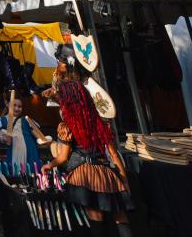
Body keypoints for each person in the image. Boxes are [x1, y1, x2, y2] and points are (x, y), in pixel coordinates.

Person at [42, 74, 133, 236]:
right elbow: (114, 155)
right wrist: (124, 181)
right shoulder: (101, 124)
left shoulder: (68, 126)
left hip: (85, 176)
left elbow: (63, 157)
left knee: (97, 220)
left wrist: (49, 165)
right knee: (120, 217)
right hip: (107, 174)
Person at [0, 97, 45, 169]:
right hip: (14, 149)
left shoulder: (26, 120)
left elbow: (38, 135)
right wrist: (4, 138)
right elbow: (0, 135)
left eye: (19, 106)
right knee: (14, 170)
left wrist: (43, 139)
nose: (17, 108)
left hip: (29, 150)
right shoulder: (2, 120)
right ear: (7, 104)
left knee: (30, 171)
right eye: (14, 105)